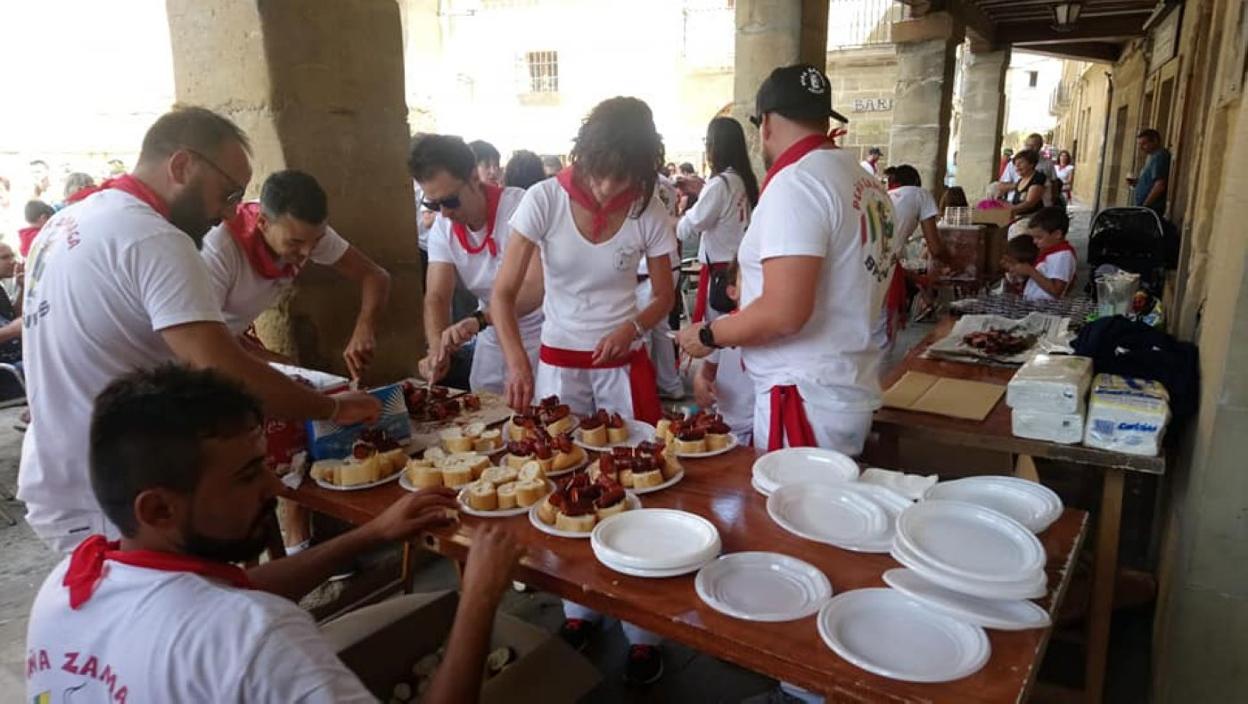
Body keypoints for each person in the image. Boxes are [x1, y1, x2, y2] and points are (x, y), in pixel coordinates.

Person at [25, 364, 523, 703]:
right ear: (157, 507)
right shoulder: (255, 637)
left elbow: (220, 595)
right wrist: (478, 598)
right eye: (247, 476)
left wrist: (372, 533)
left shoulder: (67, 585)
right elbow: (232, 616)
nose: (273, 485)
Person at [16, 107, 380, 554]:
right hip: (116, 492)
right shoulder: (156, 238)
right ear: (182, 166)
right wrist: (330, 408)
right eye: (228, 194)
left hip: (64, 473)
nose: (228, 211)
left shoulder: (66, 222)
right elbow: (220, 370)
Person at [491, 97, 675, 684]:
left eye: (624, 176)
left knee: (632, 480)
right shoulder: (544, 199)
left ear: (643, 168)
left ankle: (643, 629)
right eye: (601, 171)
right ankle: (579, 606)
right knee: (562, 478)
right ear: (585, 154)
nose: (607, 188)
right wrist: (517, 361)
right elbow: (502, 295)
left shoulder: (651, 206)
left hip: (622, 363)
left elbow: (665, 297)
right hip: (558, 366)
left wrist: (634, 326)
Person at [677, 63, 895, 455]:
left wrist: (710, 335)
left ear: (766, 124)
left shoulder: (798, 182)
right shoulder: (862, 179)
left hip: (801, 393)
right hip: (838, 384)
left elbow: (784, 312)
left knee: (790, 509)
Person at [200, 169, 391, 378]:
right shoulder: (219, 251)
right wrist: (281, 365)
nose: (307, 252)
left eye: (317, 241)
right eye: (295, 243)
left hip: (229, 337)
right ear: (263, 223)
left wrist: (364, 330)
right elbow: (204, 342)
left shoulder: (306, 233)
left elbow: (375, 276)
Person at [410, 135, 545, 395]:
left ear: (474, 178)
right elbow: (437, 296)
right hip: (490, 336)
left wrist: (478, 321)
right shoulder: (443, 226)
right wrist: (437, 349)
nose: (445, 213)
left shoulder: (519, 206)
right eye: (433, 204)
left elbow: (534, 288)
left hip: (539, 333)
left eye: (450, 201)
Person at [678, 116, 758, 324]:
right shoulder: (743, 180)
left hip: (720, 273)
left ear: (715, 146)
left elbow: (685, 229)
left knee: (716, 340)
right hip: (739, 269)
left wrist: (670, 218)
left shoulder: (720, 185)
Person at [881, 165, 948, 344]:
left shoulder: (883, 195)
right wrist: (954, 264)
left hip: (867, 268)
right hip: (883, 271)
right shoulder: (921, 194)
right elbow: (935, 247)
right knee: (884, 337)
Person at [691, 259, 753, 444]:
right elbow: (707, 372)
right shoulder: (719, 329)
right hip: (726, 427)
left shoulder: (779, 333)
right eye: (750, 279)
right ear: (732, 292)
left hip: (762, 427)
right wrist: (700, 383)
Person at [1005, 206, 1076, 301]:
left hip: (1047, 308)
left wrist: (1030, 271)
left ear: (1057, 234)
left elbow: (1056, 291)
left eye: (1039, 237)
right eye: (1033, 238)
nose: (1034, 241)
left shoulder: (1063, 256)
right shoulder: (1049, 252)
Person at [1129, 129, 1170, 215]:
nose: (1141, 148)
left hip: (1151, 209)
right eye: (1140, 145)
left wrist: (1145, 206)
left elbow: (1160, 185)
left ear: (1154, 140)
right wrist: (1138, 182)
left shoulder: (1159, 156)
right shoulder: (1151, 157)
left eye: (1144, 144)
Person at [1005, 149, 1047, 225]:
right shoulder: (1021, 180)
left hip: (1032, 220)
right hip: (1019, 218)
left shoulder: (1038, 178)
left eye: (1021, 163)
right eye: (1015, 163)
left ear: (1031, 164)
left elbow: (1030, 203)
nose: (1017, 166)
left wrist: (1009, 209)